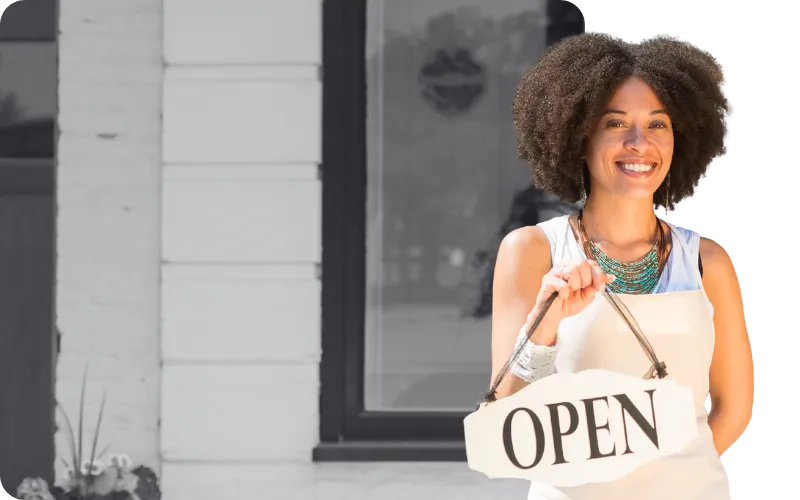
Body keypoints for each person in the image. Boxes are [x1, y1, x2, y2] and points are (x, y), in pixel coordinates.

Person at [490, 32, 752, 500]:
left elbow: (733, 408)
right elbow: (505, 415)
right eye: (615, 123)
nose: (639, 143)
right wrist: (544, 325)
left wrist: (666, 482)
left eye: (658, 124)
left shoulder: (708, 262)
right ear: (579, 136)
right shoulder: (532, 251)